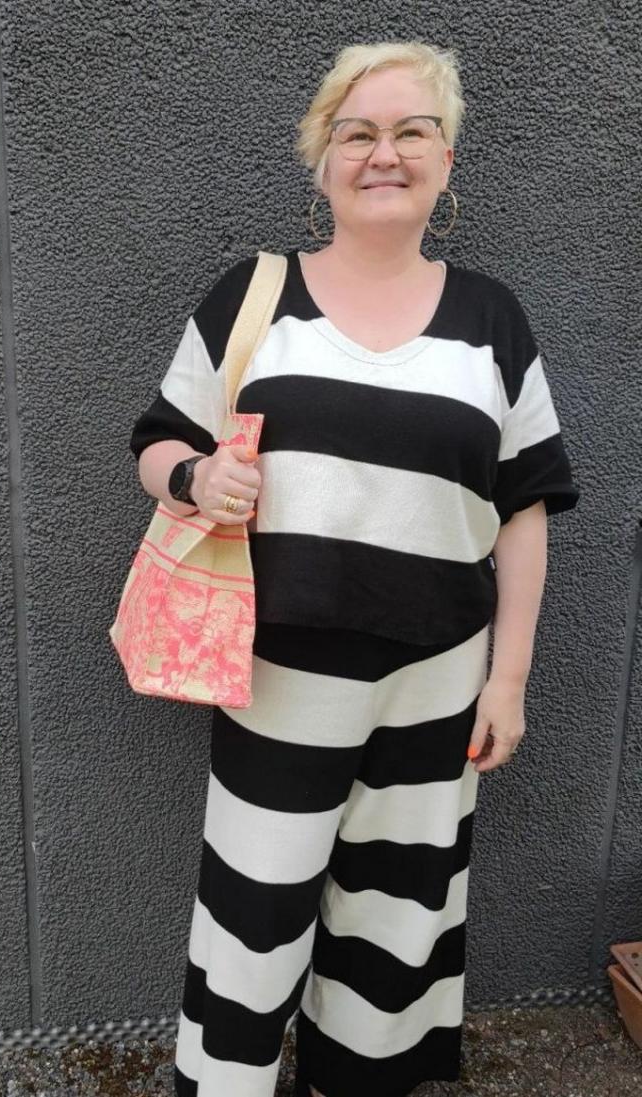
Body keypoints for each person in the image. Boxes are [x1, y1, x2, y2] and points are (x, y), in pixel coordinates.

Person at [128, 39, 580, 1097]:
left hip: (439, 680)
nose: (385, 153)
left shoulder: (492, 320)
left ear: (445, 159)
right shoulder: (254, 295)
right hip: (278, 676)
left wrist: (507, 680)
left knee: (395, 922)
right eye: (358, 132)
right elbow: (157, 439)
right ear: (322, 159)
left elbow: (524, 507)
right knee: (252, 916)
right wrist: (194, 476)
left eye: (412, 130)